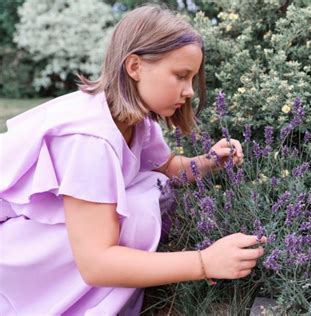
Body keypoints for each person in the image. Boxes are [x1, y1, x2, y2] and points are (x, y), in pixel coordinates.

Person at [0, 5, 266, 315]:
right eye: (180, 76)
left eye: (192, 78)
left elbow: (165, 168)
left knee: (149, 187)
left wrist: (209, 162)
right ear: (135, 66)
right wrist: (204, 262)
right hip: (17, 251)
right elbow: (97, 264)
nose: (190, 91)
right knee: (138, 208)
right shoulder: (90, 141)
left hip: (39, 240)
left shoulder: (134, 119)